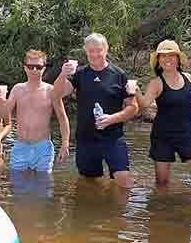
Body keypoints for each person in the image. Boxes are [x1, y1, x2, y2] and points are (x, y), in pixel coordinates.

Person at [54, 33, 138, 188]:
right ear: (86, 52)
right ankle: (98, 210)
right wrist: (62, 74)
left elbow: (133, 108)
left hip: (113, 138)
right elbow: (58, 93)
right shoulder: (79, 74)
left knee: (124, 181)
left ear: (106, 50)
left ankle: (118, 212)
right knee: (90, 184)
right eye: (90, 51)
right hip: (86, 139)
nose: (94, 54)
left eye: (98, 50)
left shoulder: (119, 75)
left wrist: (111, 119)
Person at [133, 40, 191, 192]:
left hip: (188, 136)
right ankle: (163, 213)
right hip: (163, 137)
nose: (167, 59)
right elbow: (144, 104)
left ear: (178, 59)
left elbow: (190, 109)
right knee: (162, 184)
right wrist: (137, 92)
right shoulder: (156, 83)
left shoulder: (188, 78)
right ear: (158, 61)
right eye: (163, 56)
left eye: (171, 55)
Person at [0, 50, 70, 173]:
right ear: (25, 68)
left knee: (43, 186)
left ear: (44, 69)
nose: (34, 70)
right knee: (17, 186)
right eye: (30, 67)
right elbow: (2, 114)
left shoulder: (51, 91)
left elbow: (62, 118)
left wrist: (65, 144)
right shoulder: (17, 89)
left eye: (38, 67)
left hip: (43, 147)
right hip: (21, 145)